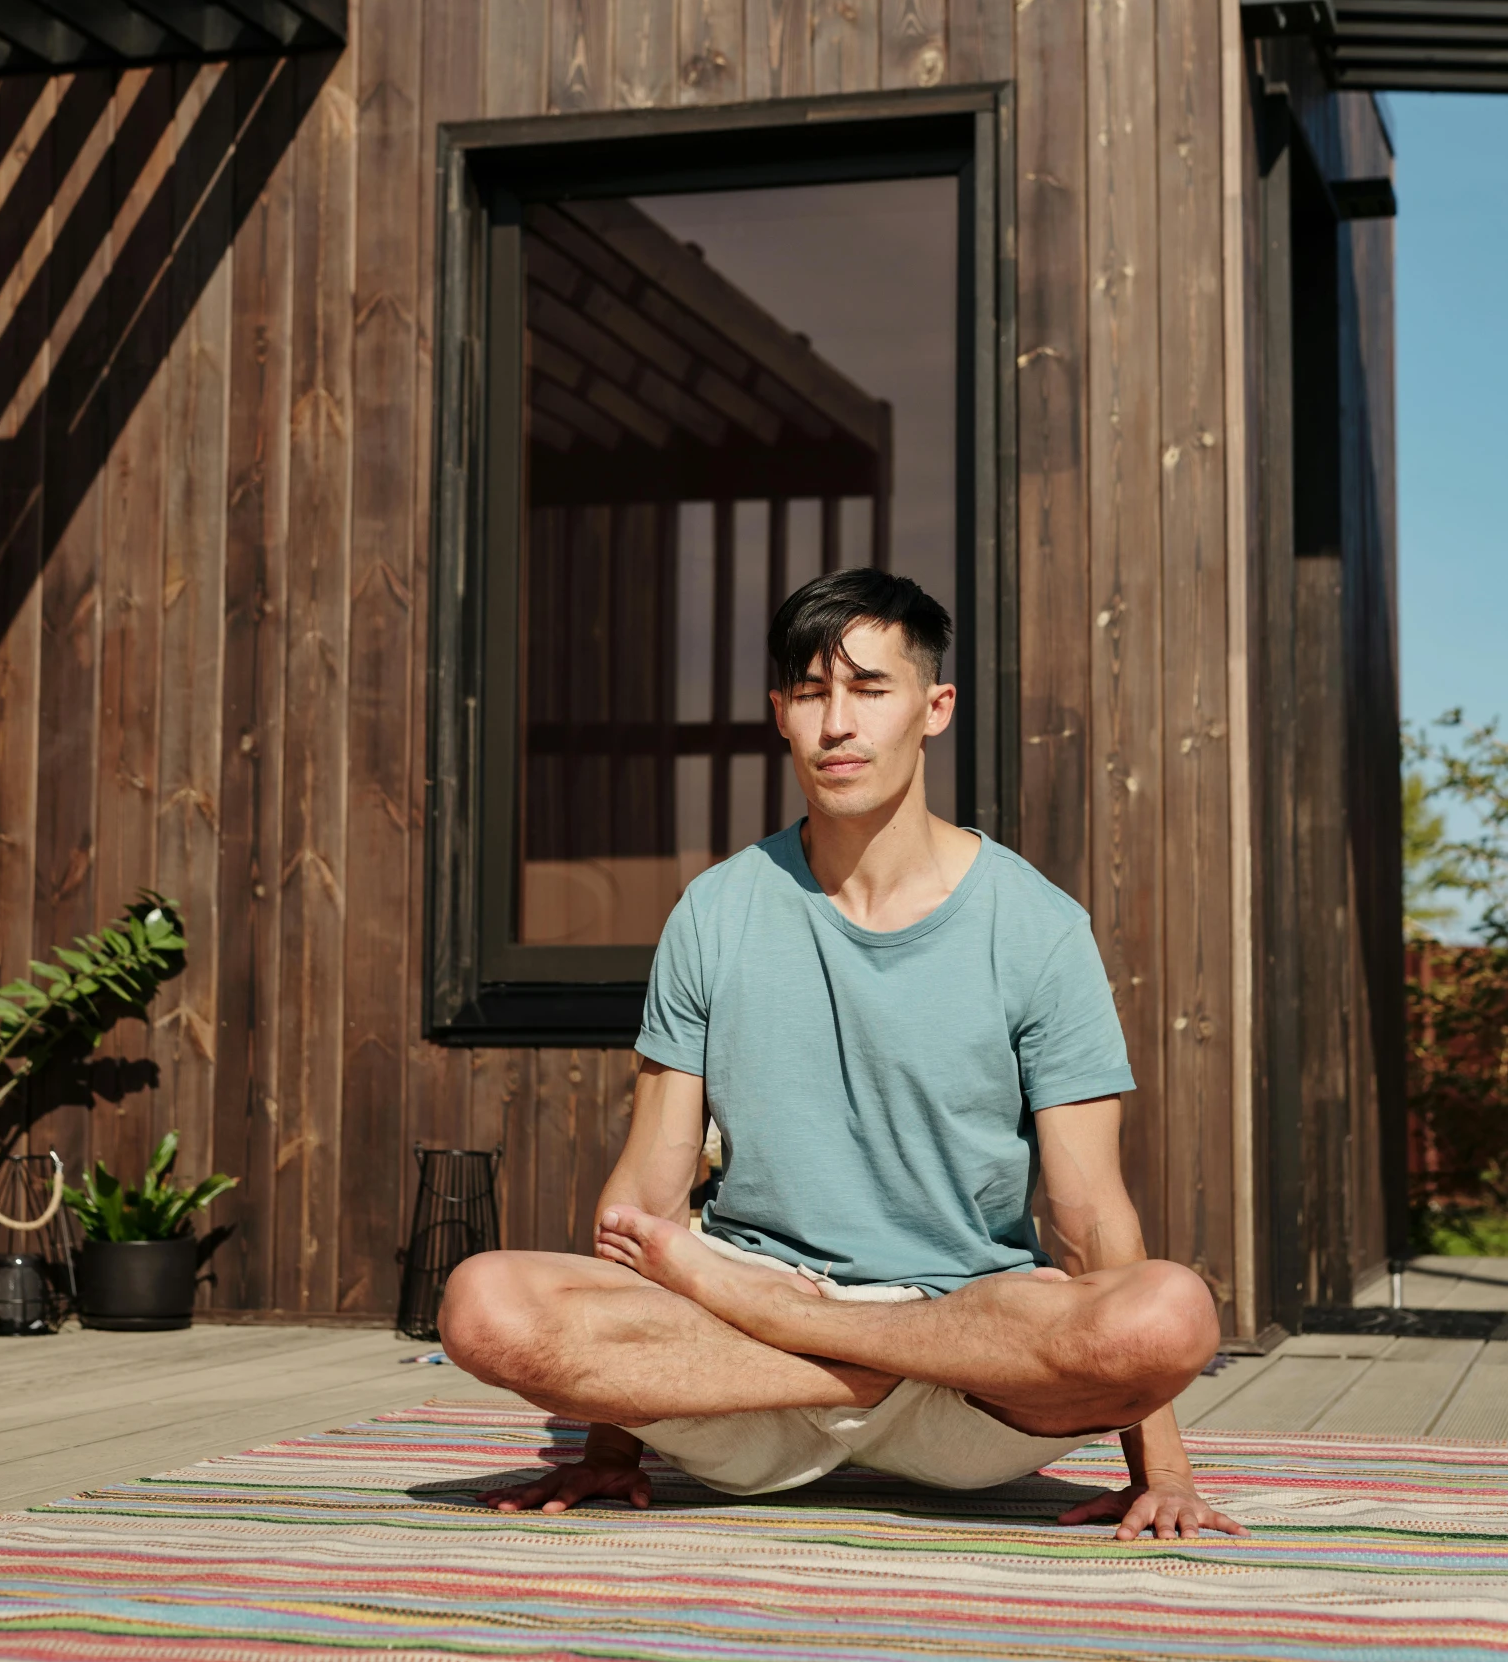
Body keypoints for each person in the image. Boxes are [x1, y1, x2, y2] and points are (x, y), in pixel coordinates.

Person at [440, 568, 1241, 1542]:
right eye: (812, 692)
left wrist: (1162, 1468)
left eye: (869, 687)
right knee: (481, 1302)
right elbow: (645, 1200)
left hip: (967, 1379)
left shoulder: (1038, 927)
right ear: (779, 712)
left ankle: (830, 1335)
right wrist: (611, 1446)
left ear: (932, 706)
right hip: (735, 1375)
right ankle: (827, 1345)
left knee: (1168, 1313)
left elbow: (1088, 1218)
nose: (837, 723)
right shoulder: (718, 910)